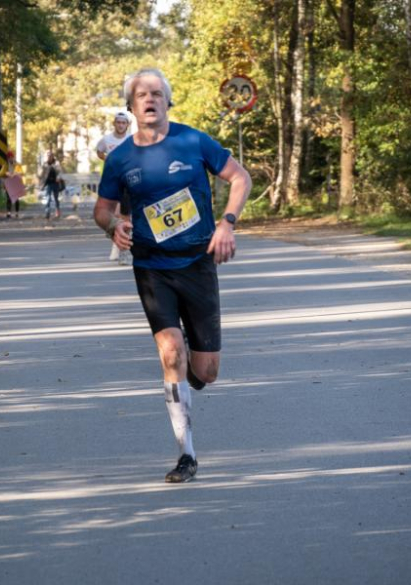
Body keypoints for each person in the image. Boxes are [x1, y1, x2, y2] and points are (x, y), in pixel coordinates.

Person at [93, 68, 251, 483]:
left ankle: (191, 376)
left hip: (197, 263)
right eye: (141, 94)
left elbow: (240, 177)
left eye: (157, 93)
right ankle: (187, 455)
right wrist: (114, 226)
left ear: (167, 101)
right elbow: (102, 210)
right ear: (131, 106)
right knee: (170, 352)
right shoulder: (120, 159)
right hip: (151, 267)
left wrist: (227, 224)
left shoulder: (193, 141)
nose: (149, 99)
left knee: (207, 371)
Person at [96, 112, 132, 265]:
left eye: (123, 123)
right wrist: (108, 159)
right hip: (111, 180)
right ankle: (116, 243)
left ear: (127, 125)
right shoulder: (106, 140)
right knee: (113, 214)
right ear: (114, 123)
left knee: (125, 215)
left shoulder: (131, 139)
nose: (121, 125)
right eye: (118, 122)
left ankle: (122, 249)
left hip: (127, 181)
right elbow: (99, 151)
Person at [39, 151, 62, 220]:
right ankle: (47, 213)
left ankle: (57, 211)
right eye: (48, 156)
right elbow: (42, 174)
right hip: (48, 183)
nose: (49, 157)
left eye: (50, 156)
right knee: (48, 198)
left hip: (55, 183)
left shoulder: (56, 163)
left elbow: (60, 172)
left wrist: (58, 178)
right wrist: (41, 181)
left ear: (52, 156)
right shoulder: (45, 164)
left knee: (56, 198)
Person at [4, 151, 21, 219]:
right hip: (8, 183)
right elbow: (3, 173)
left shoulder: (17, 164)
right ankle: (9, 213)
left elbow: (20, 173)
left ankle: (17, 213)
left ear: (13, 157)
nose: (10, 159)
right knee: (8, 198)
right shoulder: (5, 165)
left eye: (11, 157)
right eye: (8, 158)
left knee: (16, 198)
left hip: (15, 183)